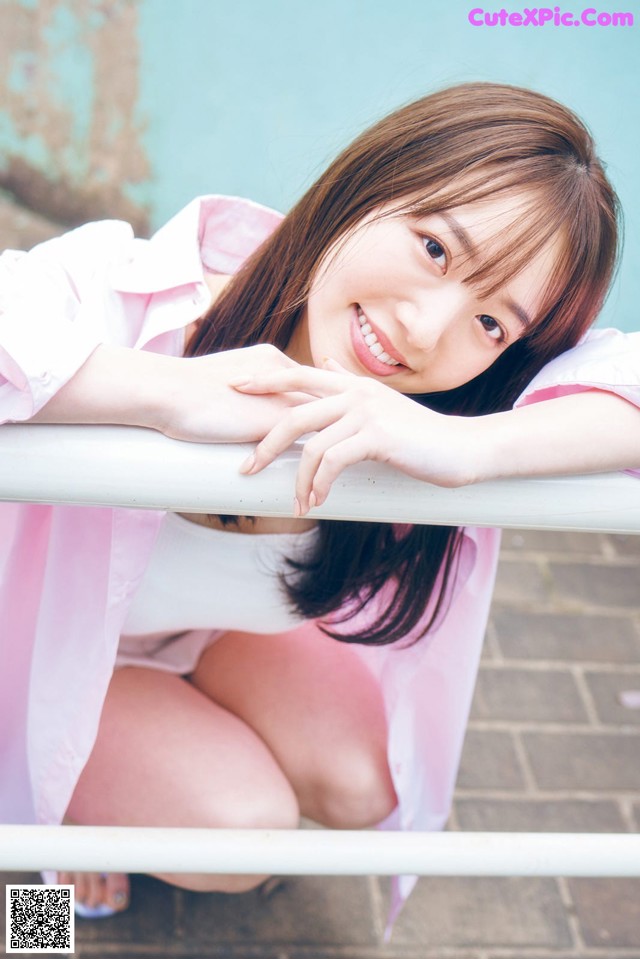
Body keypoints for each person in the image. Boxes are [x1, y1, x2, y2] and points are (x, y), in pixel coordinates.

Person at [1, 82, 639, 924]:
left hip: (192, 642)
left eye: (491, 324)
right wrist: (168, 394)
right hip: (28, 661)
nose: (426, 329)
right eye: (436, 249)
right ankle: (50, 840)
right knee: (238, 838)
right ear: (370, 186)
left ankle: (118, 785)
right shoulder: (140, 301)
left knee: (364, 780)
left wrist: (461, 450)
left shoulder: (442, 418)